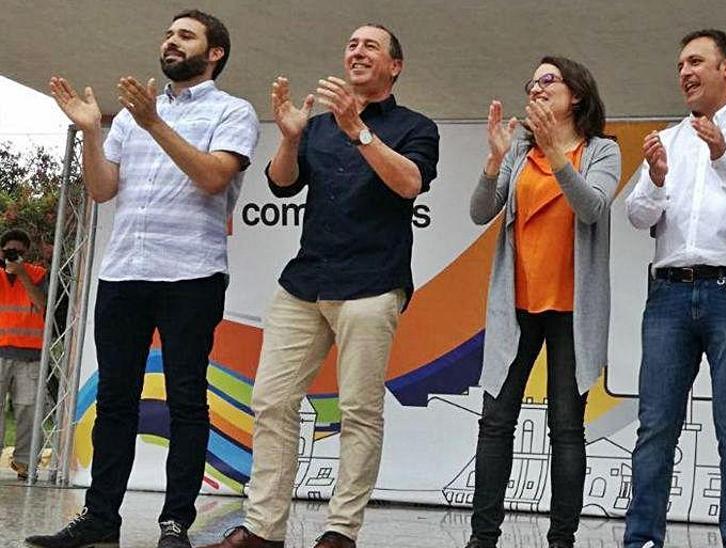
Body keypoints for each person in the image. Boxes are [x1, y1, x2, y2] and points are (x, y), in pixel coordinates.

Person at [200, 23, 439, 548]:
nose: (356, 50)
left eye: (370, 45)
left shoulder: (415, 127)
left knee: (357, 411)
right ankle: (263, 529)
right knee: (270, 401)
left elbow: (409, 184)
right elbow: (282, 184)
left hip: (374, 285)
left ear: (394, 66)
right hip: (304, 283)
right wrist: (289, 137)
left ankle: (340, 531)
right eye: (351, 43)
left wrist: (360, 132)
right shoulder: (319, 125)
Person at [34, 9, 259, 548]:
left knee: (185, 400)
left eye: (185, 36)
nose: (171, 42)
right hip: (125, 273)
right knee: (115, 400)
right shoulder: (131, 119)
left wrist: (155, 120)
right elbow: (103, 189)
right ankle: (99, 519)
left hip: (192, 274)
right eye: (168, 34)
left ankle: (174, 521)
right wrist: (92, 131)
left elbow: (212, 178)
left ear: (215, 53)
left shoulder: (233, 111)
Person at [623, 29, 726, 548]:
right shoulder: (668, 139)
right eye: (680, 66)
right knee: (655, 425)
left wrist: (723, 157)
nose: (685, 73)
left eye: (696, 61)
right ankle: (641, 539)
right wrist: (653, 176)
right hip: (669, 293)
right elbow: (636, 214)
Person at [464, 56, 620, 548]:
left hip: (573, 309)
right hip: (517, 306)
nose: (537, 89)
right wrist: (494, 162)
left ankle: (561, 540)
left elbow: (592, 208)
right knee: (495, 422)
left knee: (566, 428)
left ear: (575, 93)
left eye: (548, 81)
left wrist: (556, 155)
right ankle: (482, 538)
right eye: (532, 83)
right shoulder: (518, 153)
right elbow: (479, 212)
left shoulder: (603, 151)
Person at [0, 229, 49, 481]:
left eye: (19, 252)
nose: (14, 255)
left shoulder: (38, 275)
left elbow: (43, 306)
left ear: (26, 252)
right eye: (9, 251)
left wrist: (22, 276)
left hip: (30, 355)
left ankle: (25, 464)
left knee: (28, 410)